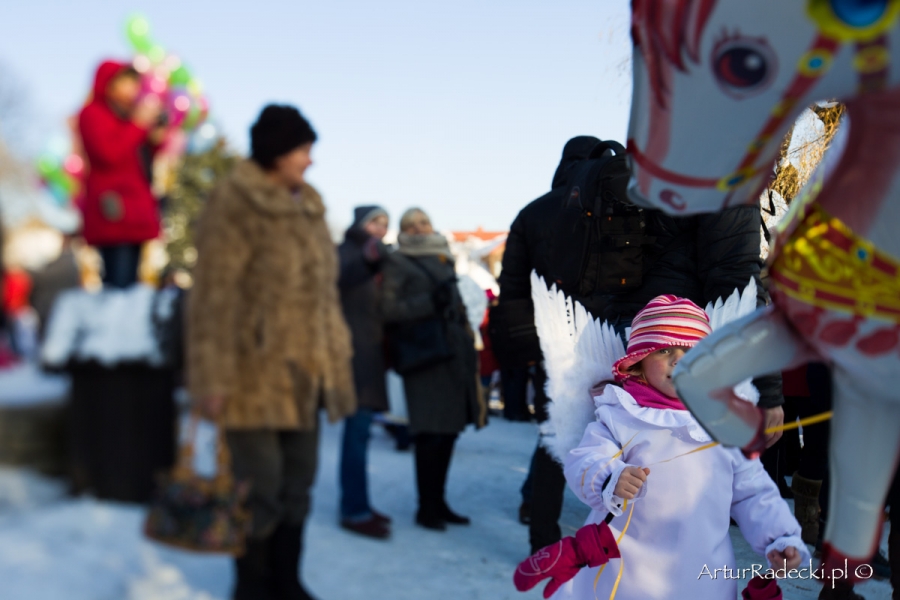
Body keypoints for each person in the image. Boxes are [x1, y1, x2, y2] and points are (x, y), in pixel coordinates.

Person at [497, 135, 786, 555]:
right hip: (669, 333)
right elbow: (736, 280)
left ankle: (548, 536)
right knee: (661, 441)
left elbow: (513, 290)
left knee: (576, 434)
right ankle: (656, 554)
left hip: (584, 335)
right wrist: (768, 388)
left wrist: (523, 351)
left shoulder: (557, 203)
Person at [187, 104, 355, 600]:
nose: (310, 161)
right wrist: (212, 379)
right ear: (277, 152)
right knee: (258, 488)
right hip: (250, 376)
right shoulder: (234, 201)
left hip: (306, 375)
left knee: (297, 487)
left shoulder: (311, 205)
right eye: (303, 150)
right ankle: (252, 587)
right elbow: (213, 297)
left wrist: (337, 371)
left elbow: (326, 299)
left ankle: (286, 582)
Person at [554, 295, 807, 600]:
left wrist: (780, 537)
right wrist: (610, 476)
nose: (679, 360)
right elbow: (584, 459)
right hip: (627, 568)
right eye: (664, 350)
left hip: (701, 570)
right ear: (639, 363)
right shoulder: (620, 415)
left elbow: (753, 491)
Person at [381, 208, 486, 530]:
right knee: (429, 434)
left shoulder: (443, 255)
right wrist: (430, 302)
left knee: (449, 432)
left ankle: (439, 502)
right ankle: (426, 507)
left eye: (422, 222)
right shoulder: (398, 262)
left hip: (455, 355)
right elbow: (388, 309)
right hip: (425, 358)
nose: (418, 229)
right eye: (410, 225)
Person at [78, 60, 170, 288]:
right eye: (125, 83)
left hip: (135, 212)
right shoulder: (93, 114)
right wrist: (138, 124)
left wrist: (155, 136)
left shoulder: (128, 118)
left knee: (131, 286)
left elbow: (142, 159)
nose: (132, 90)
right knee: (117, 283)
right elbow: (108, 154)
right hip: (113, 212)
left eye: (134, 84)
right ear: (108, 85)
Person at [337, 205, 392, 539]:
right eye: (375, 222)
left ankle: (359, 502)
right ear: (360, 224)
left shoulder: (374, 257)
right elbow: (340, 277)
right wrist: (369, 261)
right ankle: (354, 510)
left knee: (361, 433)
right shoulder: (347, 252)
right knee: (356, 434)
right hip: (352, 356)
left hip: (369, 356)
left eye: (385, 224)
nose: (381, 230)